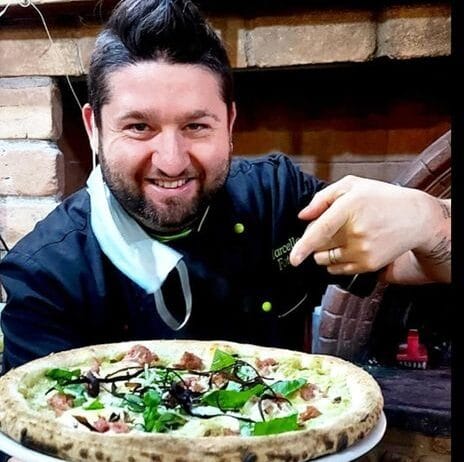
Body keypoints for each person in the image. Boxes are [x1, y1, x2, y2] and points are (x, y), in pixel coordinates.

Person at [0, 0, 451, 377]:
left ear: (230, 124)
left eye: (196, 126)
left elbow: (417, 263)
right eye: (139, 127)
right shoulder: (44, 276)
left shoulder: (277, 197)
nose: (171, 160)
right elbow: (40, 427)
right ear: (93, 129)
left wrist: (430, 221)